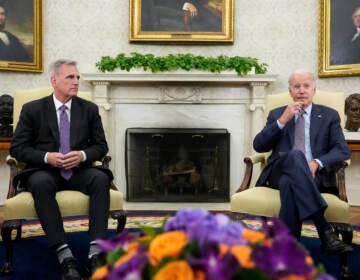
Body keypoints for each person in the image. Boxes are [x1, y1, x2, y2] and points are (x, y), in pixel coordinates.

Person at [10, 59, 112, 280]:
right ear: (54, 80)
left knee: (100, 179)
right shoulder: (33, 109)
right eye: (70, 77)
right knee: (39, 182)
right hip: (46, 171)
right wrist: (47, 157)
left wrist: (82, 155)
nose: (76, 82)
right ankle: (64, 255)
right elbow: (17, 148)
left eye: (77, 77)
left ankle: (95, 254)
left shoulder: (89, 109)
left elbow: (101, 146)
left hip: (79, 170)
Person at [253, 69, 353, 255]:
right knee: (294, 156)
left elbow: (342, 150)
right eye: (296, 86)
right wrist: (283, 120)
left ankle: (288, 247)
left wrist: (316, 162)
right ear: (290, 91)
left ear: (314, 90)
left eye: (306, 86)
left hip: (315, 175)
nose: (301, 90)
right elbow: (258, 146)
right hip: (279, 170)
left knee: (289, 183)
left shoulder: (329, 115)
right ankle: (324, 231)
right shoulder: (277, 114)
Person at [141, 0, 221, 32]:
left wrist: (211, 4)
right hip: (171, 17)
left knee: (217, 22)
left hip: (197, 9)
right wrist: (186, 4)